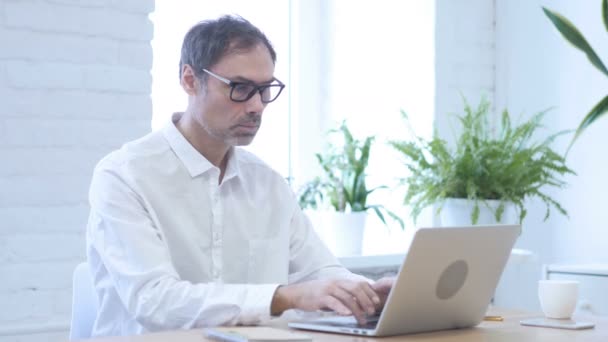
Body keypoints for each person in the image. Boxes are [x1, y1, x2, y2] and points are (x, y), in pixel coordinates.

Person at [86, 15, 393, 337]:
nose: (257, 106)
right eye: (241, 88)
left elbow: (317, 270)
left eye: (265, 90)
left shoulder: (267, 182)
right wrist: (282, 296)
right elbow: (155, 301)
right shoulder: (123, 175)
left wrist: (369, 293)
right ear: (190, 80)